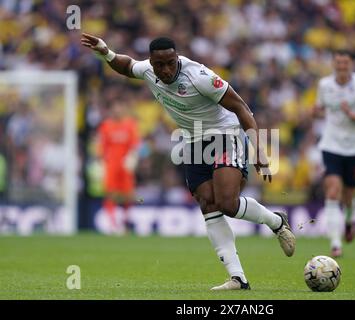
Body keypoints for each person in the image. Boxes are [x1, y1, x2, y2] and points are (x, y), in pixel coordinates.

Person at [81, 33, 296, 290]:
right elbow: (126, 66)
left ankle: (276, 221)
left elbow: (240, 107)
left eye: (171, 62)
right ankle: (238, 278)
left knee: (227, 202)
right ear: (151, 62)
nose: (166, 69)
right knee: (208, 203)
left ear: (177, 57)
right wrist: (106, 52)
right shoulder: (148, 71)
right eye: (159, 64)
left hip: (224, 135)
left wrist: (258, 148)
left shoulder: (199, 77)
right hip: (193, 142)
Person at [313, 50, 355, 257]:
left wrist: (353, 115)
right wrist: (315, 111)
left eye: (345, 63)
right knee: (332, 191)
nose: (342, 66)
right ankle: (335, 243)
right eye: (338, 63)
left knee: (349, 196)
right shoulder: (324, 85)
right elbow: (319, 109)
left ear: (351, 64)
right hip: (331, 145)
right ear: (333, 64)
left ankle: (349, 221)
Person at [97, 99, 139, 234]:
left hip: (125, 167)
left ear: (124, 109)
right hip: (111, 166)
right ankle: (113, 225)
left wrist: (132, 158)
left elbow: (135, 144)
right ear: (111, 110)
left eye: (119, 107)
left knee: (127, 196)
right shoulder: (105, 126)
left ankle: (125, 223)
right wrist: (102, 163)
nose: (117, 110)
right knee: (111, 196)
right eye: (115, 108)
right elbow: (102, 147)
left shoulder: (130, 125)